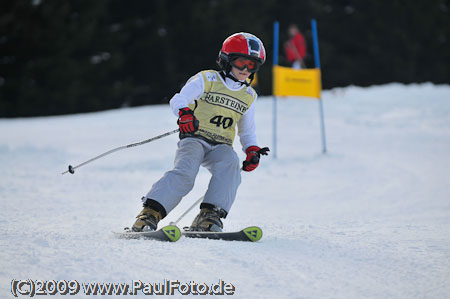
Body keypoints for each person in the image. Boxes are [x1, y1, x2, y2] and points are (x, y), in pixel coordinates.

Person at [131, 32, 269, 233]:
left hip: (221, 145)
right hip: (195, 139)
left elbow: (247, 131)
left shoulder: (249, 96)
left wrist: (252, 150)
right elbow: (178, 100)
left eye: (252, 65)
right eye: (241, 62)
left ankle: (209, 216)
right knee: (186, 173)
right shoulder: (208, 79)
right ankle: (150, 214)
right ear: (227, 60)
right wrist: (185, 114)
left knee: (230, 164)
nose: (246, 69)